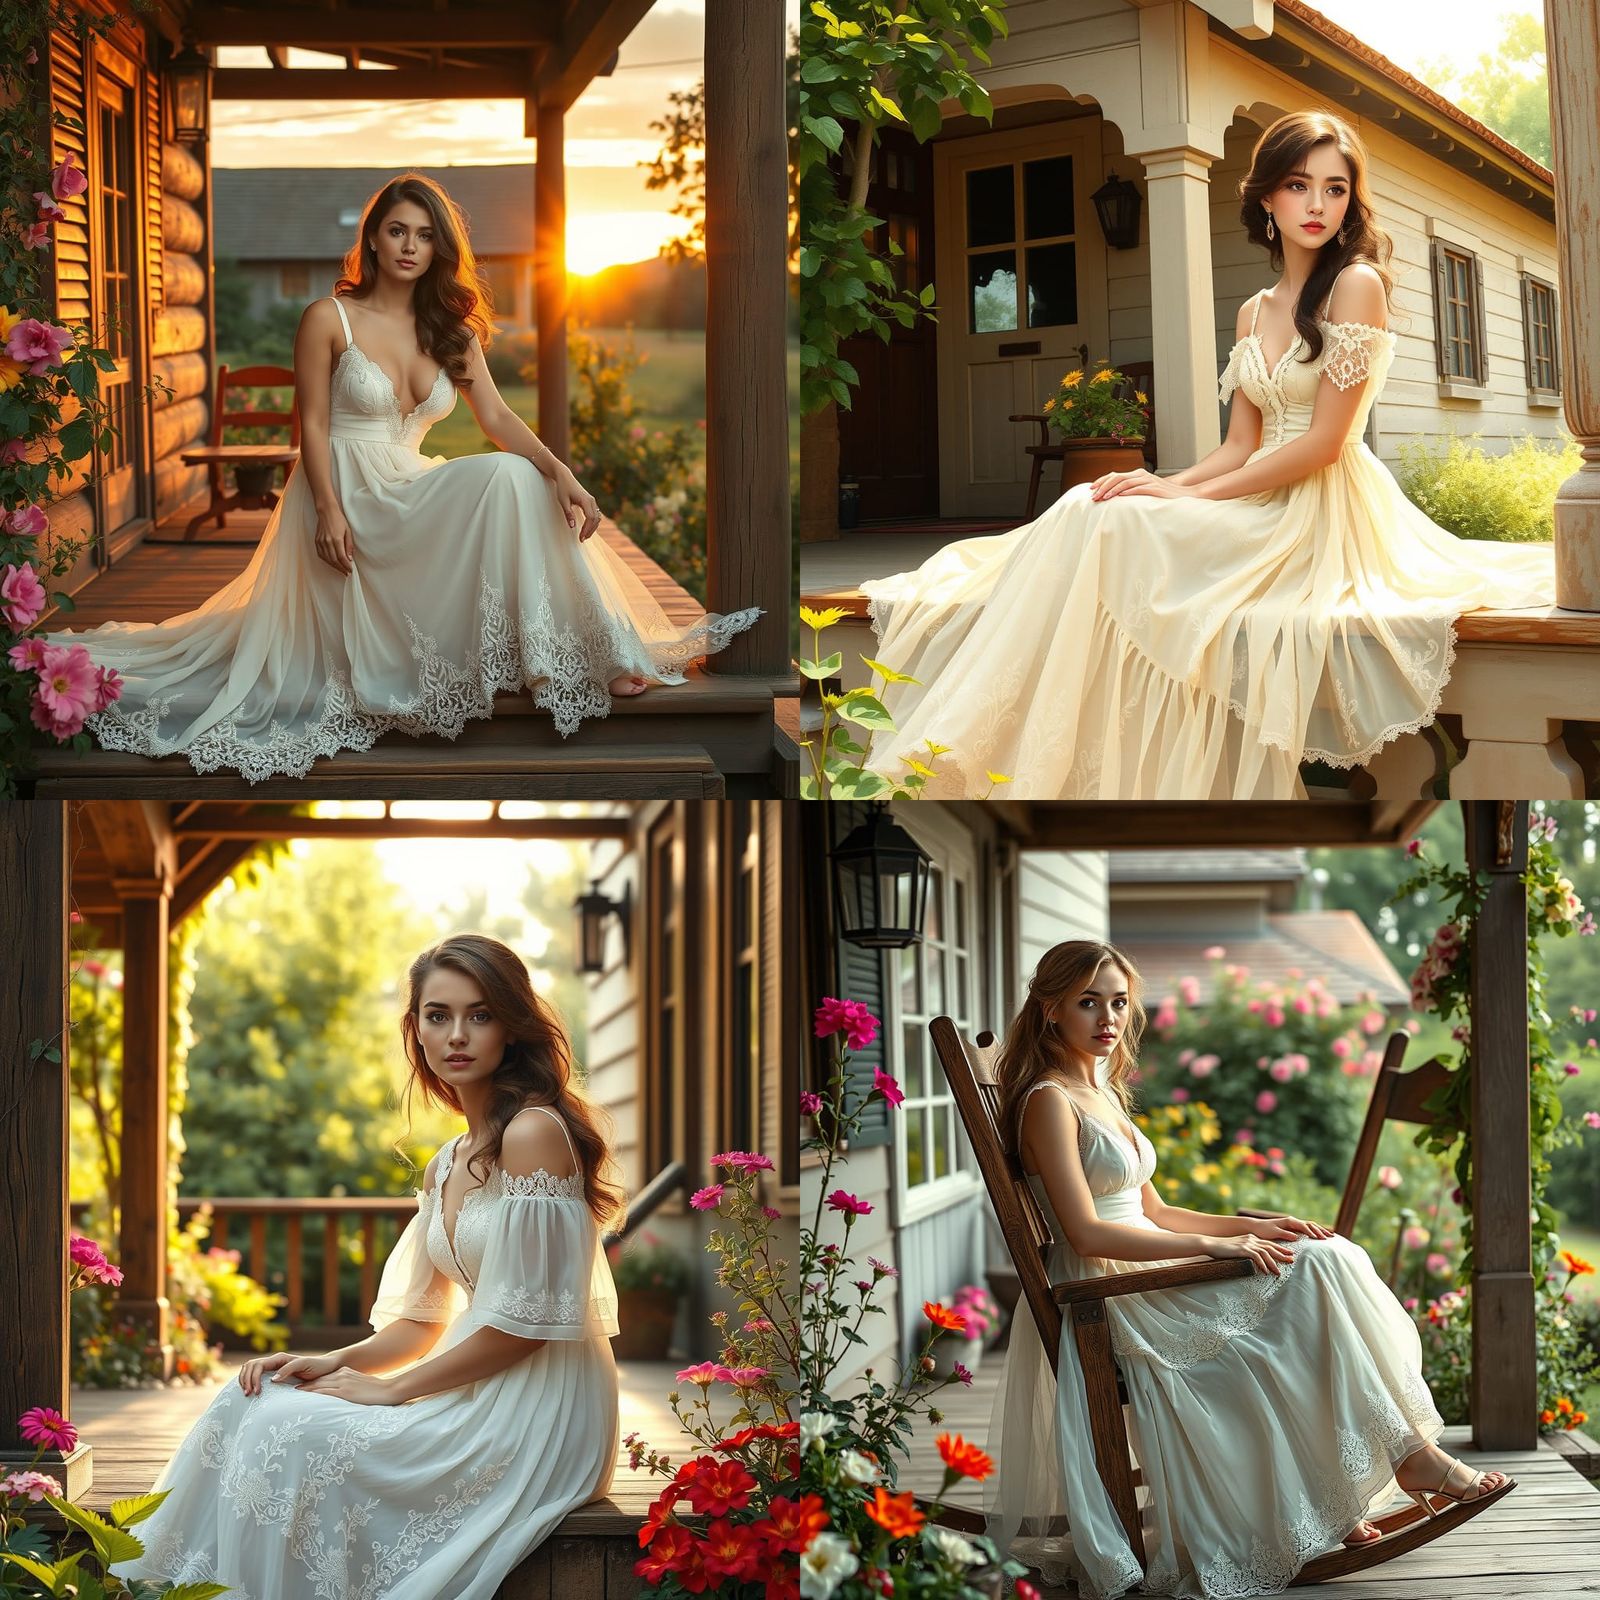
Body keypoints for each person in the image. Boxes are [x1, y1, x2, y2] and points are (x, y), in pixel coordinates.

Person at [859, 110, 1555, 799]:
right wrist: (1160, 479)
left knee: (1117, 525)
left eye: (1335, 188)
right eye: (1298, 185)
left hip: (1321, 508)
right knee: (1095, 500)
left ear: (1350, 201)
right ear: (1267, 198)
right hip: (1253, 489)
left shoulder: (1356, 285)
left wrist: (1186, 498)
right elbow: (1239, 444)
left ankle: (978, 744)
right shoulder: (1254, 310)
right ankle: (986, 739)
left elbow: (1325, 443)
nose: (1316, 205)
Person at [54, 173, 760, 782]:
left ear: (440, 247)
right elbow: (314, 428)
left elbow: (498, 418)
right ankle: (570, 658)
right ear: (373, 239)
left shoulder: (451, 330)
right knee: (506, 482)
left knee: (517, 478)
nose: (410, 245)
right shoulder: (328, 317)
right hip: (345, 491)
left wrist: (562, 471)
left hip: (409, 485)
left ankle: (584, 657)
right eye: (396, 230)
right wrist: (327, 508)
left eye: (424, 234)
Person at [986, 938, 1514, 1599]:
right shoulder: (1049, 1101)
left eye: (1118, 1002)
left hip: (1151, 1261)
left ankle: (1368, 1478)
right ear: (1049, 1009)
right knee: (1317, 1277)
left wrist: (1249, 1227)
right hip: (1118, 1287)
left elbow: (1156, 1208)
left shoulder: (1100, 1090)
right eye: (1088, 1002)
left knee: (1328, 1259)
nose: (1108, 1018)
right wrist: (1215, 1252)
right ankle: (1400, 1463)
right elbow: (1086, 1229)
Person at [115, 933, 624, 1600]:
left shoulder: (534, 1132)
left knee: (287, 1434)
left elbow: (527, 1325)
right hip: (475, 1381)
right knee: (255, 1399)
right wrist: (338, 1362)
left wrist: (392, 1391)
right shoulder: (449, 1159)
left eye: (480, 1014)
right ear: (415, 1029)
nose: (457, 1035)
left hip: (542, 1406)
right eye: (437, 1016)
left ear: (512, 1027)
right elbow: (418, 1325)